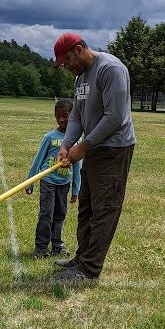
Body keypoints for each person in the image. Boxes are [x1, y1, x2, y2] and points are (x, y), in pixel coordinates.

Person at [52, 33, 136, 284]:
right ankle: (82, 257)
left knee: (104, 209)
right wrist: (67, 145)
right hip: (95, 149)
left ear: (78, 50)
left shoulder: (111, 69)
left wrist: (84, 146)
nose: (65, 67)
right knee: (87, 205)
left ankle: (89, 270)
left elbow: (114, 116)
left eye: (66, 61)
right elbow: (77, 115)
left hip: (113, 149)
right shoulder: (80, 79)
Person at [25, 99, 81, 258]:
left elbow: (77, 167)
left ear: (73, 116)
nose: (61, 120)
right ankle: (41, 247)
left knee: (60, 213)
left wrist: (76, 189)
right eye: (58, 116)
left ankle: (57, 244)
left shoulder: (77, 141)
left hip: (64, 183)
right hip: (48, 181)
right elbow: (38, 159)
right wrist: (31, 181)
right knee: (46, 214)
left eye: (65, 116)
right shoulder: (50, 137)